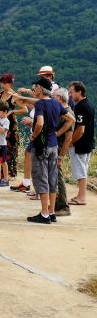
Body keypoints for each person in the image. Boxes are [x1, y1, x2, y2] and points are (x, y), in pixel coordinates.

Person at [27, 77, 61, 224]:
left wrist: (34, 135)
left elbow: (39, 123)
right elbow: (71, 118)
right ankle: (52, 211)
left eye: (35, 87)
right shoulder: (56, 102)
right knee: (53, 179)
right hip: (54, 145)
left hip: (42, 146)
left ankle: (44, 214)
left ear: (41, 89)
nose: (34, 89)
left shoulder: (40, 104)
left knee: (41, 178)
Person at [68, 81, 95, 206]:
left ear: (79, 92)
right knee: (82, 169)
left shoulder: (80, 107)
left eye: (71, 92)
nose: (70, 95)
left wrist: (71, 142)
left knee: (80, 171)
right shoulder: (89, 104)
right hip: (88, 142)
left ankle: (82, 197)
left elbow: (80, 129)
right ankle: (80, 195)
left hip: (80, 144)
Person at [0, 73, 22, 178]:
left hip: (10, 125)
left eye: (4, 83)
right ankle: (0, 174)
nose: (2, 85)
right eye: (2, 82)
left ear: (10, 83)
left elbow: (24, 109)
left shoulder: (14, 95)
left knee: (10, 148)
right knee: (0, 147)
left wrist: (11, 111)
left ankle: (9, 173)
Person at [53, 87, 75, 216]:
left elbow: (68, 139)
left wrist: (61, 157)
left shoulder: (68, 113)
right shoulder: (62, 112)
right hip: (56, 148)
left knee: (58, 178)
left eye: (54, 96)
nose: (52, 98)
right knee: (55, 177)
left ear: (60, 98)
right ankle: (57, 204)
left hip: (59, 149)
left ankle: (63, 207)